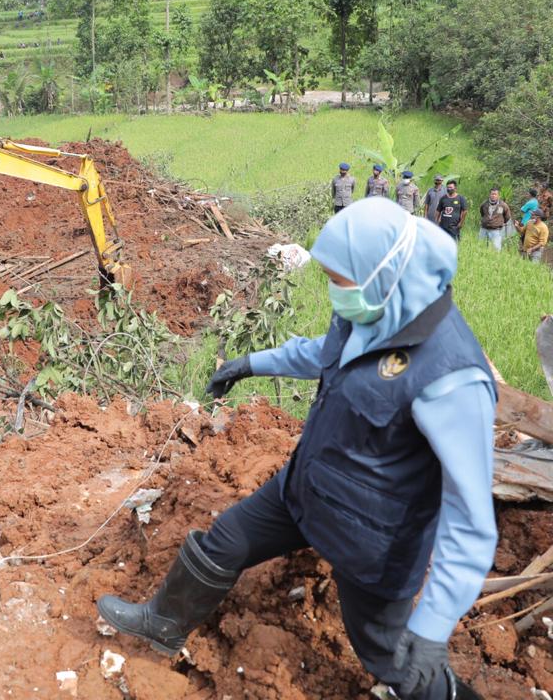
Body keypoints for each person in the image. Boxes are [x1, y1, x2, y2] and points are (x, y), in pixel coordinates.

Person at [97, 199, 493, 700]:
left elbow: (470, 522)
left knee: (390, 657)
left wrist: (434, 625)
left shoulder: (452, 378)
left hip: (372, 538)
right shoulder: (375, 306)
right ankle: (163, 622)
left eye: (340, 280)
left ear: (384, 272)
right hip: (305, 489)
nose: (334, 291)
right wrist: (251, 363)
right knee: (227, 539)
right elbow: (323, 354)